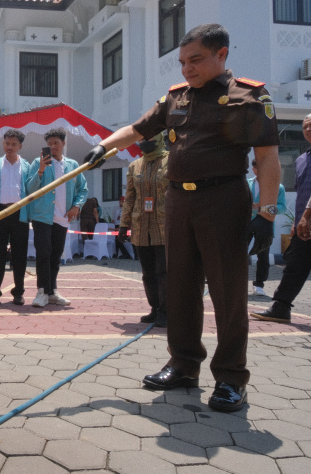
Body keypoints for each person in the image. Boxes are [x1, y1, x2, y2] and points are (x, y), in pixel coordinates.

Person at [83, 23, 281, 413]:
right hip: (179, 201)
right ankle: (184, 364)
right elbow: (138, 129)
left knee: (227, 290)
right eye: (182, 62)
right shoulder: (176, 98)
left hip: (223, 199)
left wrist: (267, 212)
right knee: (180, 285)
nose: (186, 69)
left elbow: (267, 158)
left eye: (196, 60)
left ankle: (229, 378)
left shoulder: (248, 96)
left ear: (221, 54)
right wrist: (102, 147)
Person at [250, 113, 311, 323]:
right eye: (305, 127)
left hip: (308, 219)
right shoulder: (302, 159)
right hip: (304, 225)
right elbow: (303, 193)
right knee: (295, 265)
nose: (308, 130)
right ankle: (281, 307)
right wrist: (297, 222)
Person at [26, 127, 87, 308]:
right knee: (43, 253)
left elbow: (83, 189)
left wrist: (76, 206)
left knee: (55, 256)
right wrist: (41, 170)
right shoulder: (38, 162)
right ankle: (42, 292)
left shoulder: (72, 165)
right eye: (49, 144)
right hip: (42, 216)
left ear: (63, 144)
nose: (52, 147)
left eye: (56, 143)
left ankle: (52, 291)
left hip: (62, 217)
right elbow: (30, 189)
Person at [119, 133, 169, 327]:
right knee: (148, 272)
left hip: (165, 225)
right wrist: (124, 225)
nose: (142, 142)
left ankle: (167, 311)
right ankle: (155, 308)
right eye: (139, 140)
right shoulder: (135, 166)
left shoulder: (170, 161)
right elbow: (130, 197)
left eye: (146, 139)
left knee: (164, 271)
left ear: (157, 139)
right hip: (141, 226)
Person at [0, 129, 30, 306]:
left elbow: (30, 189)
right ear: (3, 144)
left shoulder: (26, 166)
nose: (9, 147)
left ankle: (18, 292)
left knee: (20, 255)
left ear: (20, 146)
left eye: (13, 144)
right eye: (7, 143)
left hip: (20, 214)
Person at [247, 158, 287, 297]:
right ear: (253, 169)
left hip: (265, 222)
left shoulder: (277, 186)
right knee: (238, 253)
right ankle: (235, 282)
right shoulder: (247, 183)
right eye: (257, 168)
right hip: (246, 222)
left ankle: (259, 285)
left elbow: (282, 208)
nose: (260, 171)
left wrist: (265, 208)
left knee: (263, 255)